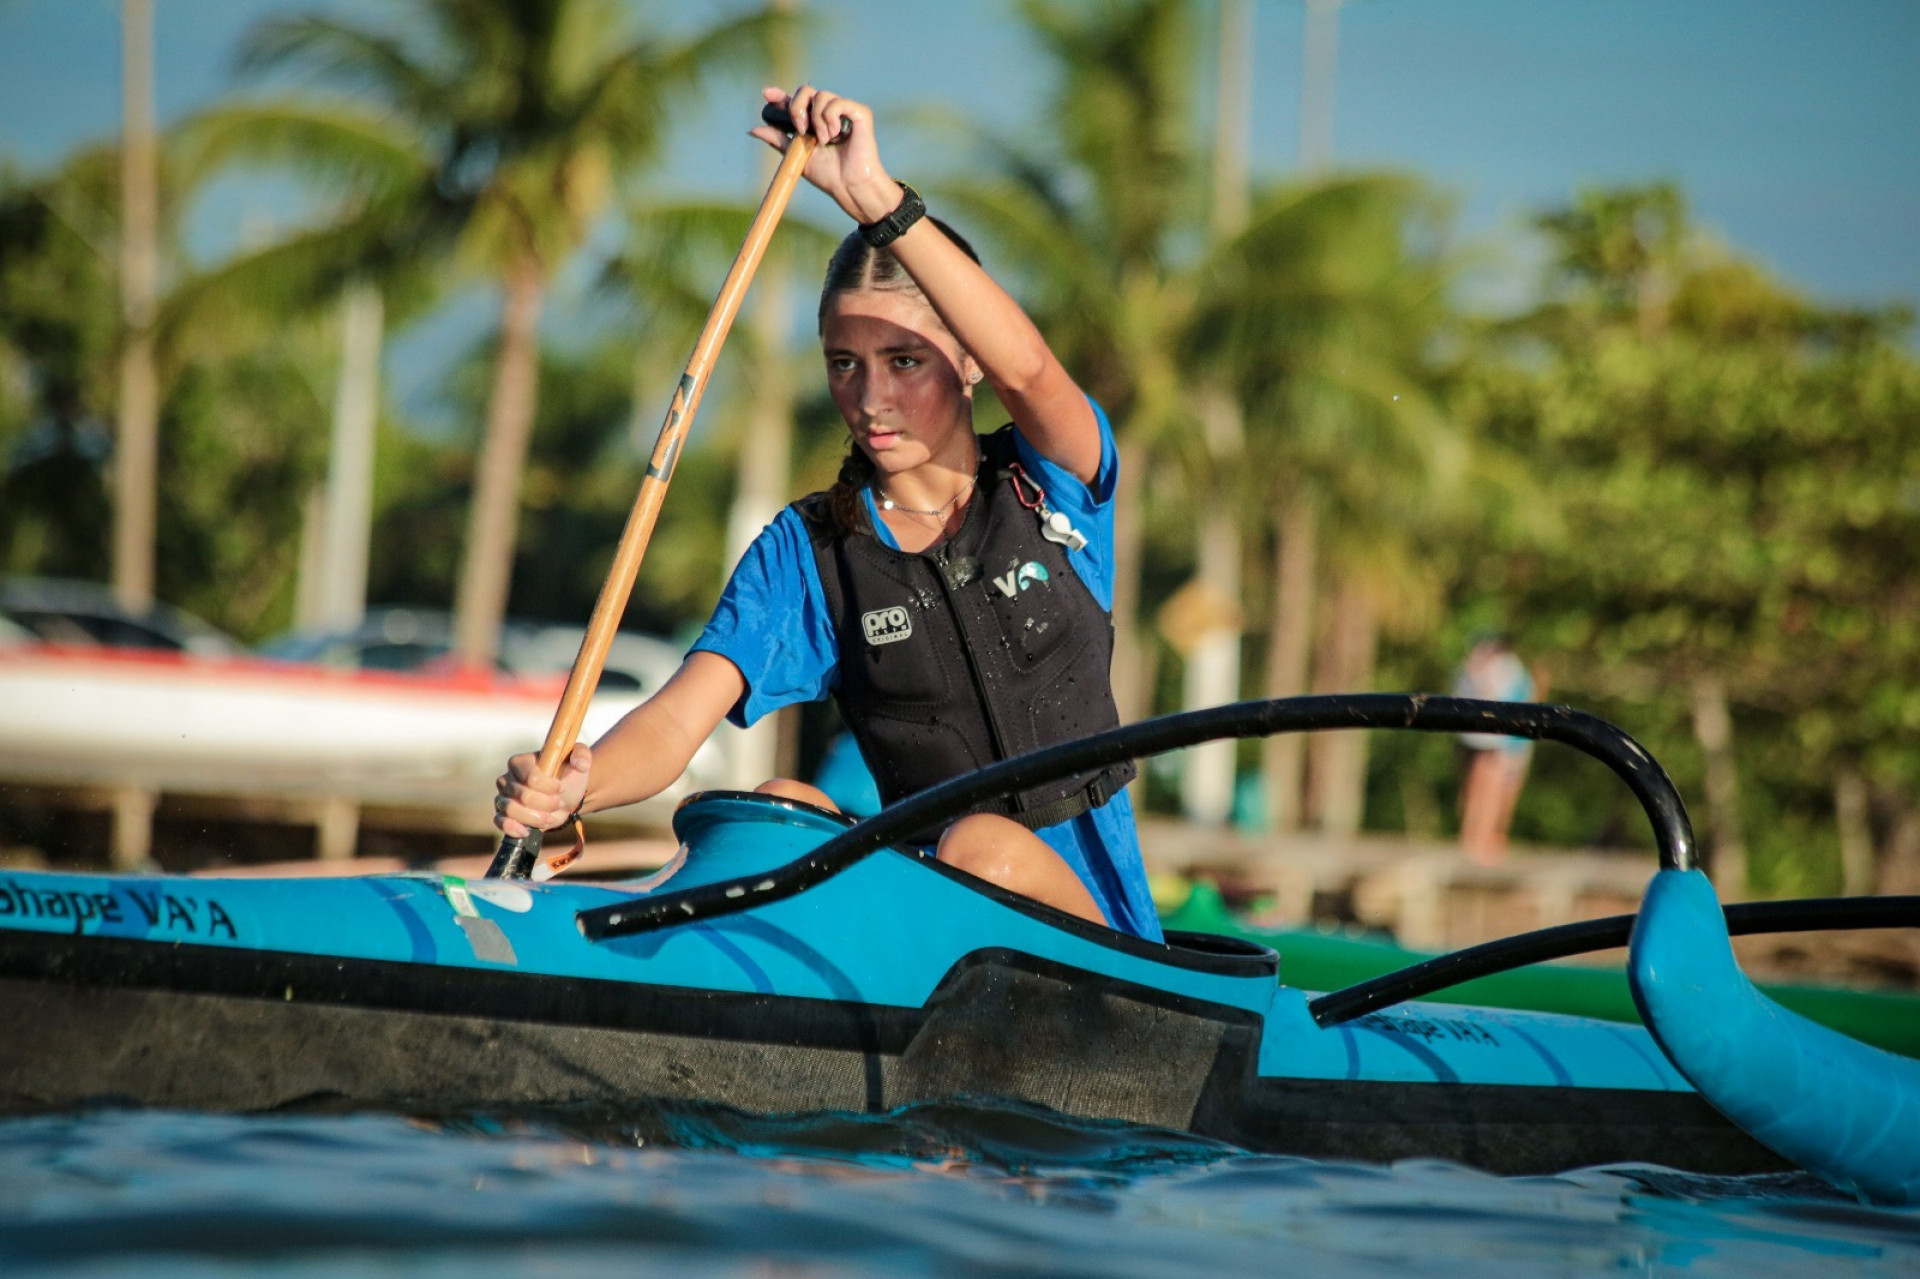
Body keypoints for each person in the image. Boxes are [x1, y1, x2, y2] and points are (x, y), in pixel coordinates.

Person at [494, 85, 1162, 941]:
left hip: (1102, 956)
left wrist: (877, 198)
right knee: (774, 809)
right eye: (845, 363)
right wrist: (578, 783)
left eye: (904, 361)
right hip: (922, 940)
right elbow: (673, 720)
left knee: (985, 847)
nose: (870, 398)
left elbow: (1030, 372)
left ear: (966, 360)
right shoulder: (810, 549)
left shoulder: (1052, 479)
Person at [1452, 634, 1539, 865]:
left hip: (1500, 742)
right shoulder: (1491, 668)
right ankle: (1474, 840)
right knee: (1479, 790)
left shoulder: (1508, 669)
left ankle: (1483, 839)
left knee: (1493, 791)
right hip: (1490, 741)